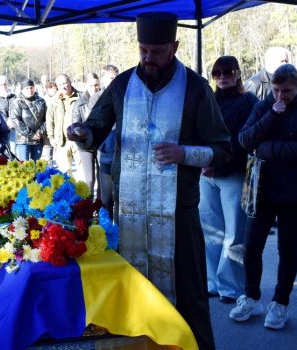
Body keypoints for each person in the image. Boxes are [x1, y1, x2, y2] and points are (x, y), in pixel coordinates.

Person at [67, 12, 231, 349]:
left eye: (156, 51)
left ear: (174, 46)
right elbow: (96, 127)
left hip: (178, 215)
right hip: (128, 214)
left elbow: (223, 149)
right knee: (130, 292)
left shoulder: (196, 88)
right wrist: (83, 133)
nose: (147, 58)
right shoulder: (123, 84)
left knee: (190, 295)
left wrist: (184, 153)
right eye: (143, 50)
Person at [230, 63, 297, 330]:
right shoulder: (264, 105)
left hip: (293, 193)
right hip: (262, 192)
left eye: (288, 91)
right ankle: (251, 297)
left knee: (288, 250)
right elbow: (245, 140)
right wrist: (271, 114)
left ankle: (280, 303)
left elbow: (261, 147)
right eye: (277, 90)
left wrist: (268, 148)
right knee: (252, 247)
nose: (281, 96)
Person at [200, 56, 258, 304]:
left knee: (234, 233)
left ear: (237, 74)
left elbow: (246, 140)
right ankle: (212, 282)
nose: (222, 77)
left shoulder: (249, 101)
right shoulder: (208, 101)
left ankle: (231, 287)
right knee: (210, 230)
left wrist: (219, 162)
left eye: (227, 72)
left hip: (233, 174)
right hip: (205, 174)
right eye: (217, 73)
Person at [90, 65, 120, 218]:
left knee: (120, 198)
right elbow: (96, 125)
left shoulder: (124, 95)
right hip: (106, 152)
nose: (115, 81)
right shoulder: (97, 98)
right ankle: (106, 231)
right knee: (106, 198)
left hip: (121, 153)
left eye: (116, 78)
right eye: (111, 79)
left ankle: (119, 231)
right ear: (103, 80)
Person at [47, 74, 84, 179]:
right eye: (60, 84)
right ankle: (70, 195)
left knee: (82, 171)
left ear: (70, 82)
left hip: (79, 140)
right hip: (62, 141)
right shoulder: (54, 101)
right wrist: (51, 137)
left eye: (65, 83)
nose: (63, 86)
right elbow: (50, 120)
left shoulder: (81, 97)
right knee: (65, 173)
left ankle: (84, 195)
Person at [72, 73, 101, 198]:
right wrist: (81, 132)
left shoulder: (105, 98)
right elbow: (75, 123)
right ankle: (88, 207)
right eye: (91, 85)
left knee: (102, 178)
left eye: (96, 85)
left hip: (101, 142)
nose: (94, 88)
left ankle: (101, 207)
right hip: (85, 144)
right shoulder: (79, 102)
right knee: (89, 179)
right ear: (86, 85)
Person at [9, 79, 46, 161]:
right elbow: (16, 121)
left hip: (38, 139)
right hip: (23, 140)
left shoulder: (41, 101)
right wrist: (31, 135)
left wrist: (39, 133)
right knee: (24, 167)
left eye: (31, 87)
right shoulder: (17, 102)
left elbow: (46, 119)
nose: (30, 90)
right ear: (22, 90)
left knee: (37, 166)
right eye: (27, 88)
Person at [0, 75, 16, 153]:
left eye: (5, 84)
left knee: (13, 150)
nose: (3, 86)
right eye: (1, 84)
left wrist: (12, 121)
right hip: (1, 128)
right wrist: (5, 123)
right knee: (3, 151)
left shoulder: (13, 96)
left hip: (12, 127)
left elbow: (15, 110)